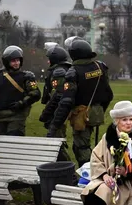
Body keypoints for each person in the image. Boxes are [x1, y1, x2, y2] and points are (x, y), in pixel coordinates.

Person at [47, 38, 113, 167]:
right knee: (84, 144)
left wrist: (55, 125)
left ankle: (89, 175)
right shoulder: (100, 66)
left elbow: (66, 101)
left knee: (81, 147)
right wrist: (99, 109)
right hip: (96, 111)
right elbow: (108, 94)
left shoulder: (73, 72)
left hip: (81, 114)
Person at [0, 45, 41, 136]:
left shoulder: (27, 77)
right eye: (13, 61)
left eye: (18, 60)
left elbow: (35, 93)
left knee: (14, 141)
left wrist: (21, 103)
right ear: (6, 62)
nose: (16, 63)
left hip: (16, 117)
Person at [39, 43, 71, 161]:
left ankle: (68, 169)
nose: (48, 61)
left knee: (56, 142)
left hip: (57, 111)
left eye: (49, 59)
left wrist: (47, 113)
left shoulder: (59, 72)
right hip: (59, 110)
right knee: (56, 140)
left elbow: (57, 95)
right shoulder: (64, 69)